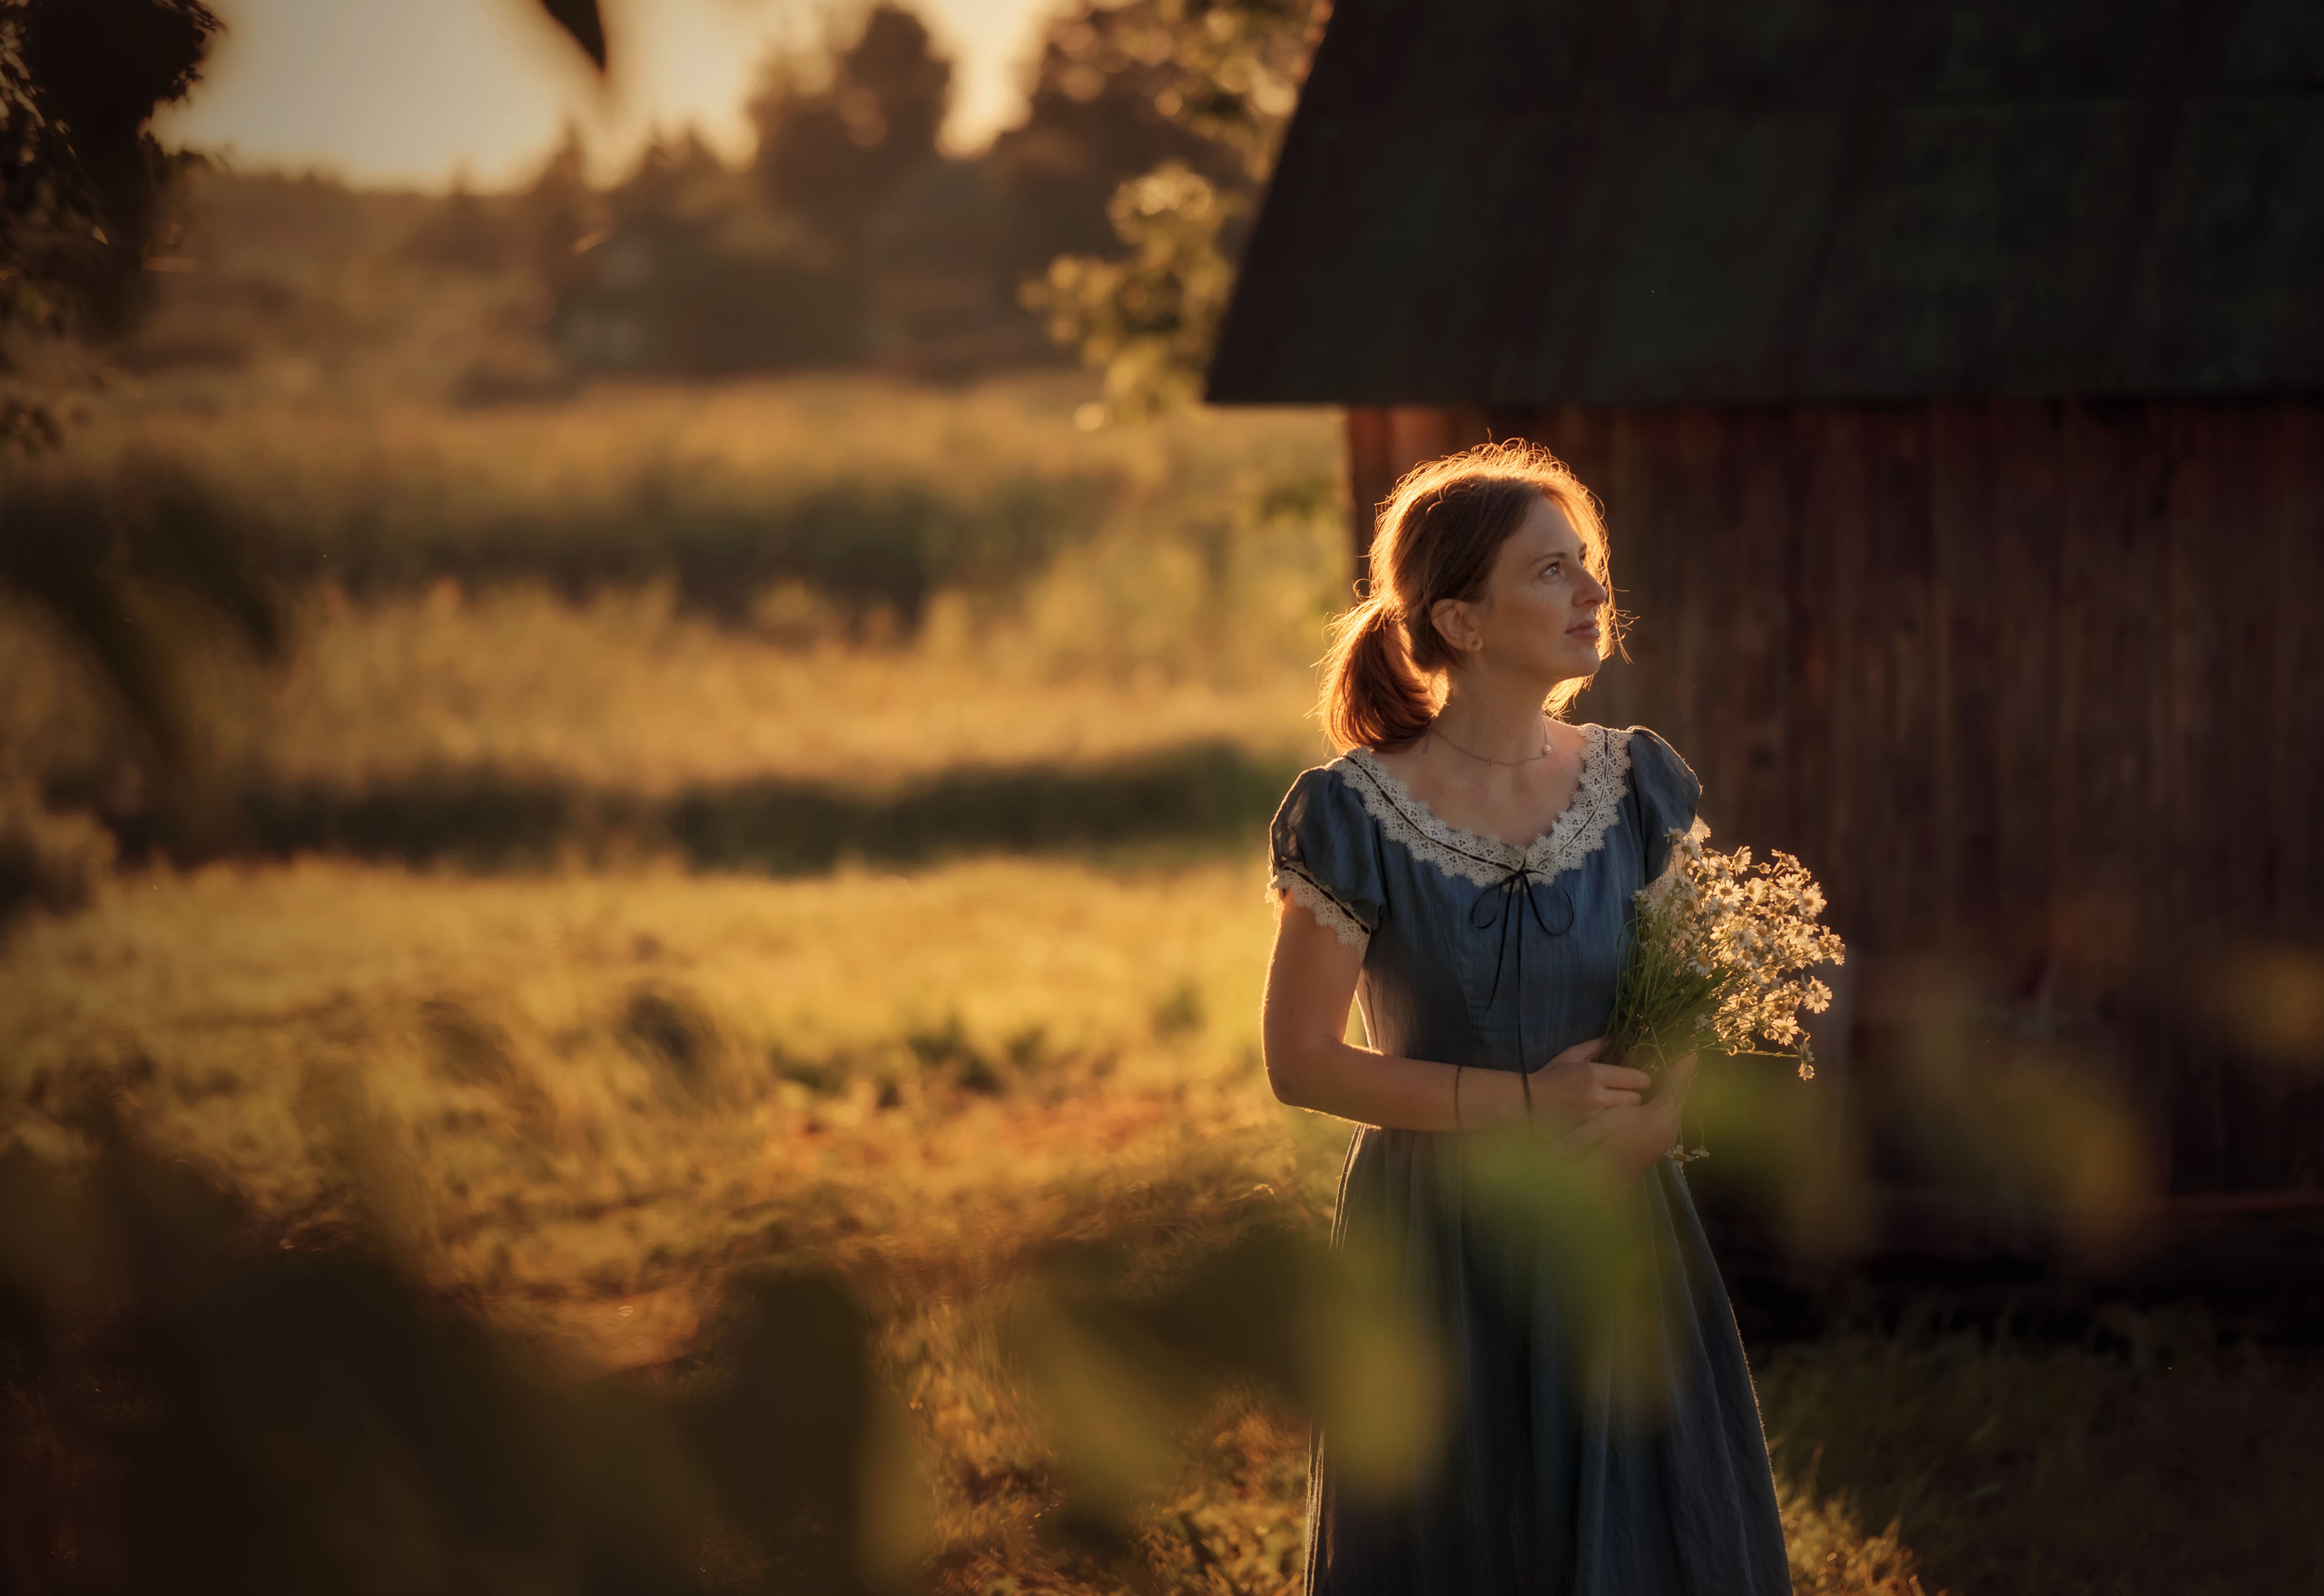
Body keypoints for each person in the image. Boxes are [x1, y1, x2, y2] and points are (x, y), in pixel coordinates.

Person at [1261, 441, 1790, 1595]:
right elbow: (1300, 1063)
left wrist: (1663, 1118)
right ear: (1458, 618)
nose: (1594, 593)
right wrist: (1526, 1105)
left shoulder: (1637, 783)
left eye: (1587, 564)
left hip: (1617, 1221)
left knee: (1649, 1539)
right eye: (1551, 572)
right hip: (1436, 1232)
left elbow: (1688, 996)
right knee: (1461, 1536)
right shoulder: (1353, 813)